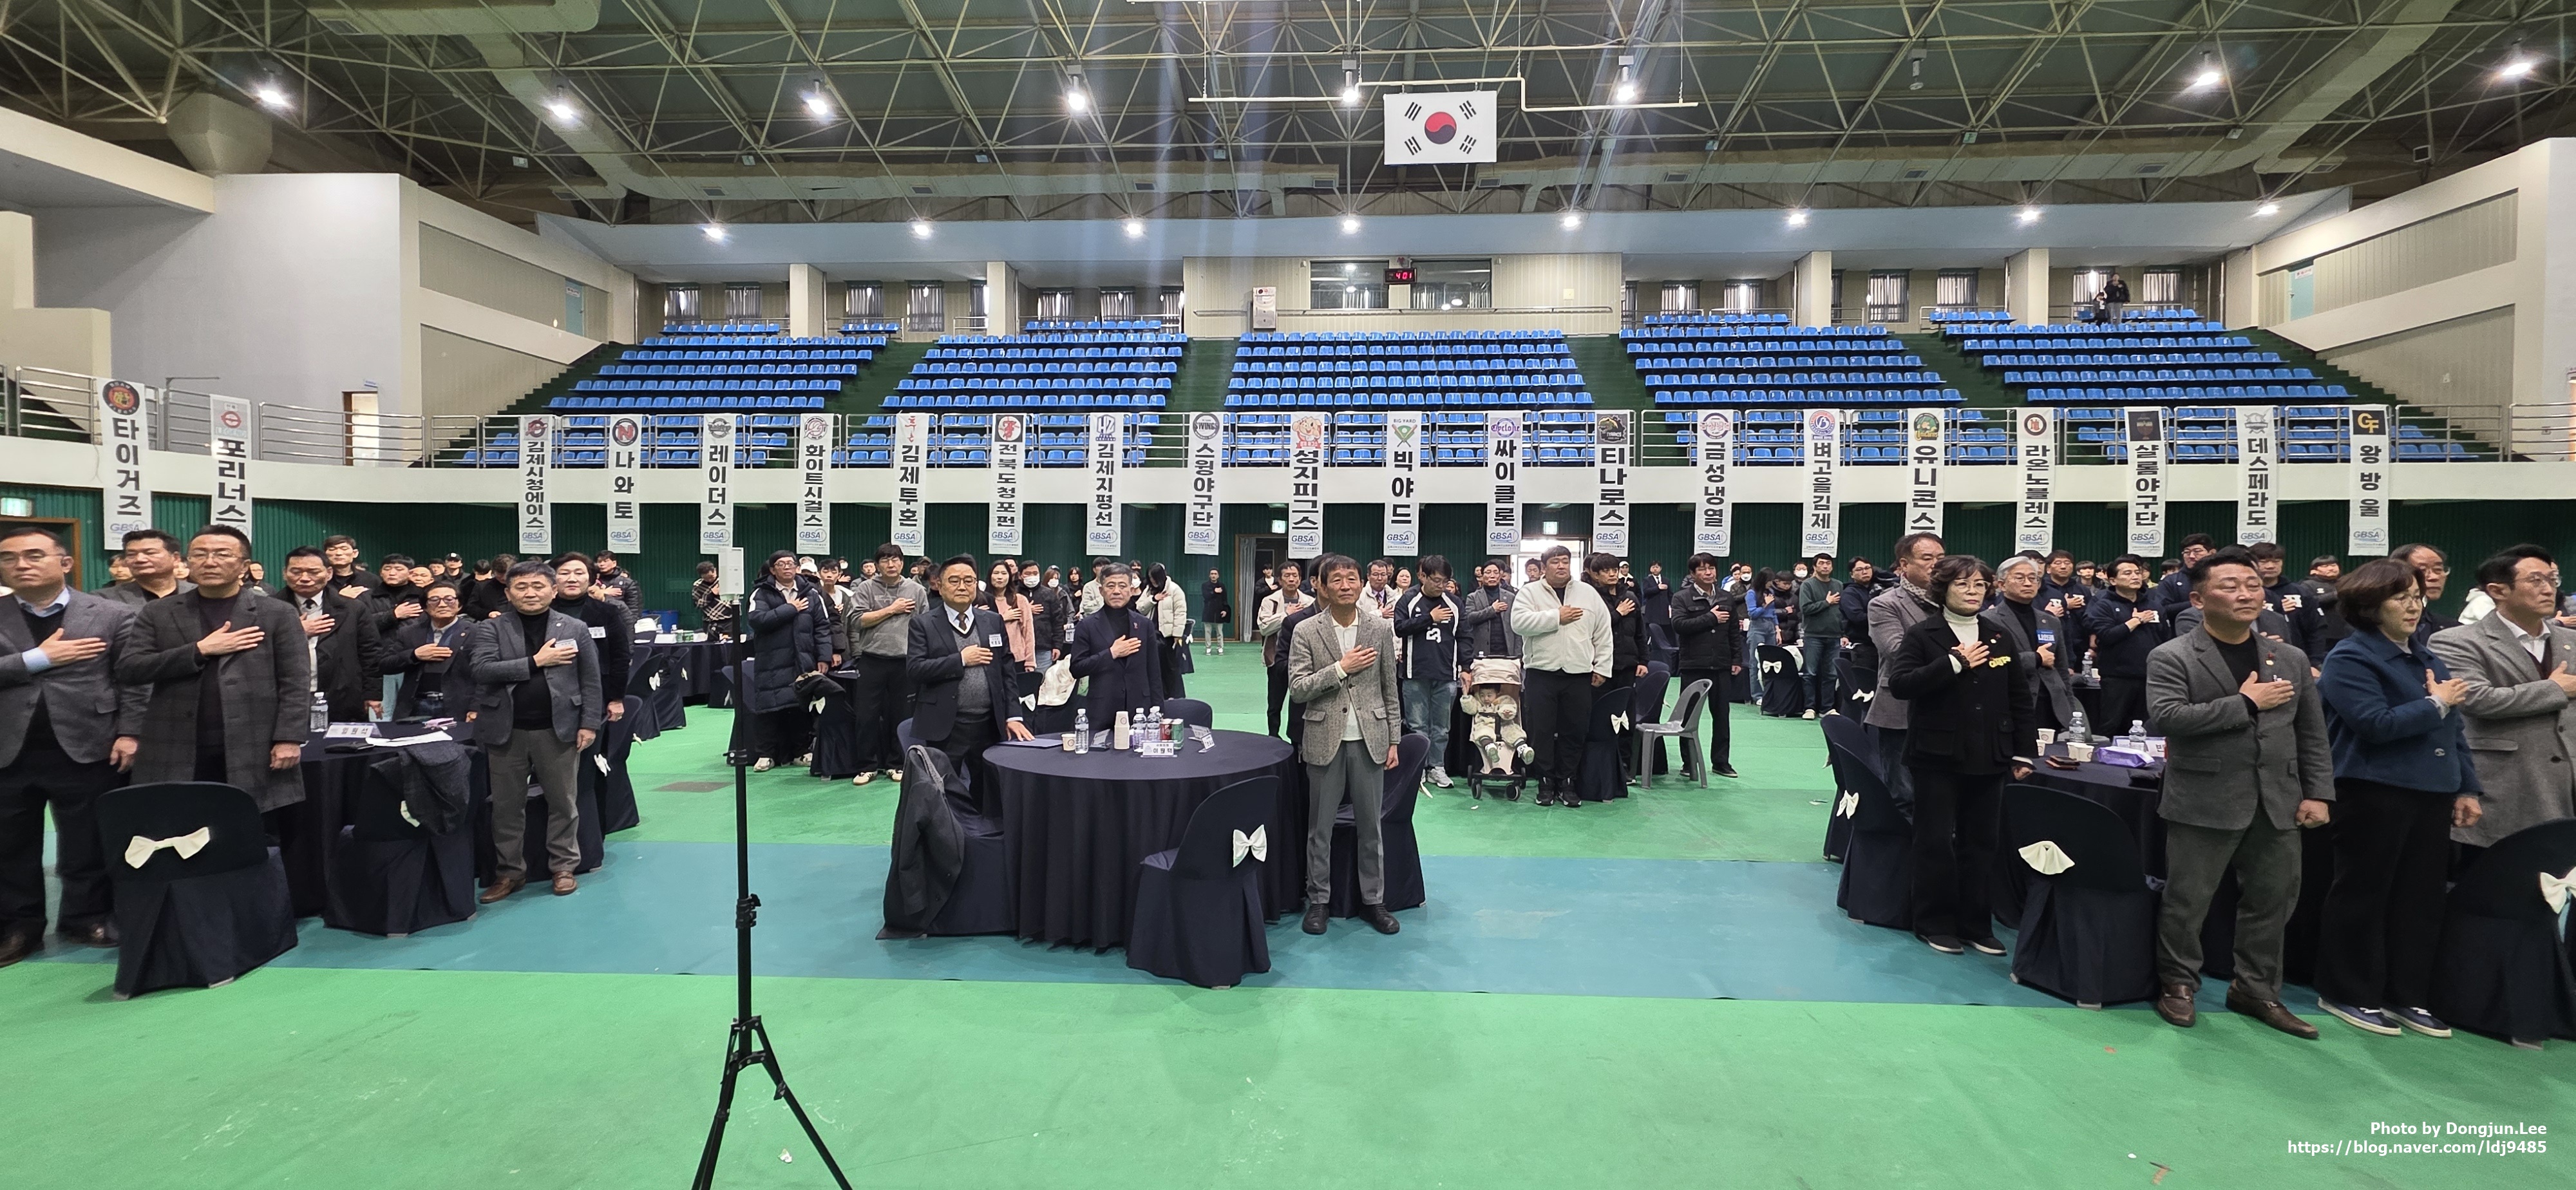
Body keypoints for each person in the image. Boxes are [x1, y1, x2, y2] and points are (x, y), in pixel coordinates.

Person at [2142, 551, 2333, 1038]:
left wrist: (2318, 793)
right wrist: (2244, 702)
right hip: (2204, 797)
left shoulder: (2288, 658)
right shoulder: (2173, 656)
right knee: (2188, 900)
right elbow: (2168, 718)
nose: (2246, 594)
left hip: (2278, 799)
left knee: (2273, 901)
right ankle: (2178, 983)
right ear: (2198, 599)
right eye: (2230, 586)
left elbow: (2311, 733)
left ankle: (2256, 989)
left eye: (2252, 584)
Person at [2310, 556, 2483, 1039]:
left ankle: (2407, 995)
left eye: (2416, 596)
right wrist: (2436, 702)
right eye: (2399, 597)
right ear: (2370, 606)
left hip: (2432, 791)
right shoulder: (2350, 658)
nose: (2413, 606)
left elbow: (2454, 730)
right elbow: (2375, 724)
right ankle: (2348, 990)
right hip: (2372, 790)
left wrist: (2467, 786)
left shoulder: (2427, 658)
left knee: (2420, 899)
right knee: (2363, 893)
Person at [0, 525, 144, 961]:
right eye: (8, 558)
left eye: (34, 555)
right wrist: (38, 659)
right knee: (9, 844)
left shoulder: (111, 613)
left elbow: (133, 680)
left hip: (89, 743)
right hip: (8, 748)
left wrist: (130, 732)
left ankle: (87, 916)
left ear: (65, 562)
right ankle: (19, 926)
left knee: (88, 839)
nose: (21, 565)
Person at [1883, 556, 2036, 956]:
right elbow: (1901, 684)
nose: (1972, 592)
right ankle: (1933, 922)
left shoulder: (1999, 635)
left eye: (1980, 585)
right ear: (1944, 589)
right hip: (1937, 754)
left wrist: (2024, 752)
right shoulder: (1923, 634)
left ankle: (1975, 924)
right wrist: (1953, 663)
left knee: (1982, 842)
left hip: (1990, 753)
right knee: (1935, 841)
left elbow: (2019, 698)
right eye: (1963, 585)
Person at [114, 525, 310, 815]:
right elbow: (130, 668)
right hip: (175, 741)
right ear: (186, 562)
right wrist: (199, 650)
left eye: (222, 554)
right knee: (178, 824)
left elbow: (295, 680)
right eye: (200, 555)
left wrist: (289, 738)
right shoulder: (159, 612)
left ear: (244, 566)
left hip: (253, 741)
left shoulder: (276, 613)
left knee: (247, 824)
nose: (209, 562)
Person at [2427, 545, 2576, 870]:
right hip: (2504, 792)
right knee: (2494, 888)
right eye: (2535, 580)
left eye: (2552, 579)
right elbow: (2476, 698)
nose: (2549, 589)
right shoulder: (2457, 641)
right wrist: (2554, 689)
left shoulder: (2571, 640)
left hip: (2568, 791)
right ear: (2498, 591)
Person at [461, 560, 602, 901]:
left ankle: (564, 867)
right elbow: (482, 670)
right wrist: (535, 662)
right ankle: (510, 872)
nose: (530, 593)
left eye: (538, 586)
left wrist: (589, 723)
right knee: (506, 808)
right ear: (508, 593)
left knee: (563, 803)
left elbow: (591, 680)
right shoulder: (491, 629)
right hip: (506, 731)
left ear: (553, 591)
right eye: (521, 587)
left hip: (559, 729)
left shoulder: (575, 628)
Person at [1285, 553, 1403, 937]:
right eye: (1336, 579)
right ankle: (1319, 901)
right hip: (1324, 739)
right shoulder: (1306, 630)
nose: (1345, 585)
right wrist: (1341, 668)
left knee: (1371, 827)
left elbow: (1389, 687)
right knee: (1319, 828)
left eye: (1352, 578)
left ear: (1361, 583)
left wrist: (1394, 739)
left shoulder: (1379, 628)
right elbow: (1298, 689)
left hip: (1371, 739)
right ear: (1321, 586)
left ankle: (1373, 901)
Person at [909, 555, 1034, 815]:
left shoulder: (992, 621)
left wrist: (1013, 715)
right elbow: (915, 670)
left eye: (969, 581)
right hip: (946, 726)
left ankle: (986, 836)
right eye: (954, 581)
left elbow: (1007, 671)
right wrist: (961, 660)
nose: (962, 586)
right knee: (943, 796)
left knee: (989, 794)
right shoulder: (923, 624)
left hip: (988, 724)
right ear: (940, 585)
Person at [1510, 545, 1613, 808]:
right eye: (1555, 562)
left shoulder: (1587, 593)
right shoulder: (1529, 592)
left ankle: (1567, 782)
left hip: (1578, 674)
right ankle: (1545, 782)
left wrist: (1602, 667)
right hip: (1541, 673)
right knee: (1541, 731)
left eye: (1565, 561)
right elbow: (1518, 623)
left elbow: (1603, 632)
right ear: (1544, 568)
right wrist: (1556, 617)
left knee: (1574, 731)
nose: (1561, 566)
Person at [1866, 533, 1946, 807]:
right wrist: (1957, 657)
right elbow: (1898, 652)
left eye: (1941, 558)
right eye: (1927, 558)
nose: (1936, 565)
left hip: (1949, 709)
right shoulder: (1885, 604)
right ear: (1904, 564)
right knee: (1905, 795)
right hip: (1901, 709)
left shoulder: (1954, 602)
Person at [844, 544, 926, 785]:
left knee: (901, 716)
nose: (891, 565)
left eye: (896, 560)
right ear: (878, 564)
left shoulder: (916, 590)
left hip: (905, 661)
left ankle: (896, 764)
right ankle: (866, 766)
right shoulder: (866, 588)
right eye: (885, 560)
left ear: (902, 562)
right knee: (866, 716)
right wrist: (892, 609)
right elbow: (857, 621)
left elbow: (924, 625)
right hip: (872, 660)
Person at [744, 551, 831, 773]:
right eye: (781, 564)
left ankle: (801, 752)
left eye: (791, 564)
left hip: (803, 660)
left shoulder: (811, 593)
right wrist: (790, 609)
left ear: (797, 568)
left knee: (801, 708)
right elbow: (757, 620)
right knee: (769, 709)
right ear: (773, 570)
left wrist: (824, 656)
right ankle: (766, 754)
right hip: (771, 661)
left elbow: (822, 627)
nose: (787, 568)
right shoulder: (761, 593)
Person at [279, 545, 383, 724]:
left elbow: (370, 652)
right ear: (285, 573)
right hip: (285, 696)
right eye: (296, 572)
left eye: (313, 572)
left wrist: (372, 693)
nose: (304, 578)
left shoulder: (353, 609)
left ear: (328, 573)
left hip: (343, 694)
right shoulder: (269, 609)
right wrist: (295, 632)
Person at [1392, 554, 1464, 789]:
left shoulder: (1454, 603)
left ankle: (1437, 767)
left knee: (1442, 728)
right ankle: (1419, 768)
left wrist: (1466, 667)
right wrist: (1429, 619)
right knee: (1417, 726)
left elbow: (1464, 635)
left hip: (1446, 674)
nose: (1441, 586)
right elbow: (1400, 628)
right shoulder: (1408, 600)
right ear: (1423, 576)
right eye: (1436, 580)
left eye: (1445, 581)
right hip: (1415, 673)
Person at [1984, 554, 2076, 732]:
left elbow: (2062, 670)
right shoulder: (1988, 620)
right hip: (2012, 705)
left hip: (2052, 706)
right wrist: (2035, 658)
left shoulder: (2050, 621)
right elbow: (1991, 663)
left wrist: (2071, 712)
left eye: (2033, 578)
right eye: (2020, 578)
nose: (2028, 583)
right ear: (2002, 585)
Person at [1669, 552, 1740, 778]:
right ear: (1693, 574)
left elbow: (1734, 631)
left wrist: (1736, 660)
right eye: (1702, 569)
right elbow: (1679, 625)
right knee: (1688, 717)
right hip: (1693, 665)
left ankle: (1721, 762)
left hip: (1721, 664)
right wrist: (1710, 618)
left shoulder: (1726, 598)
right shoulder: (1681, 598)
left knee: (1722, 716)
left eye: (1711, 568)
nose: (1708, 573)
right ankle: (1689, 763)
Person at [1070, 564, 1165, 723]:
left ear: (1131, 590)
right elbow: (1077, 668)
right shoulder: (1087, 626)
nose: (1116, 591)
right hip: (1101, 710)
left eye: (1122, 586)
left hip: (1139, 711)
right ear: (1101, 591)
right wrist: (1111, 654)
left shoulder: (1144, 625)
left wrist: (1159, 711)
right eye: (1110, 586)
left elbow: (1154, 672)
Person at [2085, 554, 2165, 734]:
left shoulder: (2154, 605)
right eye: (2127, 573)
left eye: (2137, 572)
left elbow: (2164, 638)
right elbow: (2106, 636)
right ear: (2113, 580)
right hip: (2117, 677)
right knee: (2112, 726)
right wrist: (2134, 622)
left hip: (2149, 676)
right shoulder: (2104, 605)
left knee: (2144, 728)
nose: (2135, 577)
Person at [550, 554, 631, 727]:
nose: (572, 579)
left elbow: (620, 657)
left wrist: (617, 698)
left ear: (592, 579)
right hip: (550, 694)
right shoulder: (541, 612)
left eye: (579, 573)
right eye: (564, 573)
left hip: (597, 693)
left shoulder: (608, 612)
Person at [1585, 554, 1648, 770]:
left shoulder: (1630, 596)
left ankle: (1624, 765)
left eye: (1615, 570)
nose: (1612, 574)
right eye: (1606, 571)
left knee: (1626, 716)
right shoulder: (1591, 598)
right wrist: (1617, 613)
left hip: (1627, 665)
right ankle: (1600, 765)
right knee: (1600, 715)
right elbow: (1592, 628)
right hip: (1600, 668)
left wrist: (1643, 660)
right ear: (1596, 575)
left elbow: (1640, 632)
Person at [381, 581, 471, 719]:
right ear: (425, 607)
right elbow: (385, 665)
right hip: (416, 705)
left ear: (459, 605)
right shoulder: (409, 632)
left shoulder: (476, 632)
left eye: (449, 599)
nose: (442, 604)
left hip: (458, 706)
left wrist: (475, 708)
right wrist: (414, 655)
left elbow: (482, 676)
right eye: (434, 600)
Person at [1258, 563, 1311, 737]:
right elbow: (1264, 627)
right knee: (1275, 705)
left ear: (1300, 579)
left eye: (1295, 576)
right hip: (1277, 658)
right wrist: (1286, 615)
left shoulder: (1309, 602)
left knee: (1301, 703)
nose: (1291, 579)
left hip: (1302, 660)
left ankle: (1298, 739)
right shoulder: (1270, 601)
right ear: (1280, 580)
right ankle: (1273, 737)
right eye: (1287, 576)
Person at [95, 529, 194, 607]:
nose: (139, 559)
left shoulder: (197, 593)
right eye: (131, 554)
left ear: (175, 558)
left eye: (150, 553)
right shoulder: (104, 599)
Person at [978, 558, 1039, 679]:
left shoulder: (1019, 600)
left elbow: (1028, 633)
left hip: (1017, 659)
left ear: (1010, 577)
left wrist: (1030, 661)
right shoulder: (981, 600)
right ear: (990, 576)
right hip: (989, 659)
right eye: (996, 573)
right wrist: (1002, 618)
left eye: (1004, 573)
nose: (1000, 577)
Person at [1795, 554, 1839, 719]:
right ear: (1815, 567)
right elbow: (1805, 609)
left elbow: (1841, 611)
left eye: (1828, 563)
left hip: (1835, 635)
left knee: (1831, 674)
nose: (1825, 566)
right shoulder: (1808, 585)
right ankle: (1809, 708)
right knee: (1810, 673)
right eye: (1821, 563)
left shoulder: (1838, 585)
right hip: (1814, 635)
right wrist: (1826, 603)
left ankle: (1827, 708)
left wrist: (1843, 633)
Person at [2392, 543, 2456, 647]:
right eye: (2422, 570)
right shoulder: (2380, 628)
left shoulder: (2452, 629)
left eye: (2438, 569)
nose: (2434, 577)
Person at [1141, 563, 1191, 697]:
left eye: (1154, 577)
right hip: (1152, 634)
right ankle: (1159, 696)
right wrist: (1153, 599)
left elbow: (1181, 613)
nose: (1152, 581)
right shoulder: (1148, 591)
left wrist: (1177, 635)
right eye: (1150, 577)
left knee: (1172, 668)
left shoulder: (1175, 590)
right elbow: (1140, 608)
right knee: (1154, 668)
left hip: (1169, 637)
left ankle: (1177, 696)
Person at [1460, 560, 1520, 663]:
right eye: (1488, 572)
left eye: (1496, 572)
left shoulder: (1510, 597)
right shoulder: (1473, 597)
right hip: (1482, 653)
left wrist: (1518, 653)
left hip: (1507, 653)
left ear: (1500, 576)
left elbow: (1517, 625)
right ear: (1482, 576)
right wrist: (1492, 610)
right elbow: (1469, 618)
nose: (1492, 576)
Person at [1020, 559, 1069, 669]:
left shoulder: (1049, 594)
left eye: (1035, 573)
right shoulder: (1014, 594)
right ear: (1020, 576)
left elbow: (1058, 622)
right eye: (1028, 574)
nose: (1032, 576)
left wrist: (1057, 646)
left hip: (1044, 649)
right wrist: (1026, 610)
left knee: (1042, 679)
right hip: (1019, 649)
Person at [2148, 534, 2215, 614]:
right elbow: (2161, 609)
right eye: (2187, 552)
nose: (2191, 556)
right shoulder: (2171, 581)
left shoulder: (2221, 577)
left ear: (2212, 553)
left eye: (2197, 551)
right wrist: (2196, 603)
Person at [813, 558, 853, 666]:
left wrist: (856, 654)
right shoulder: (813, 595)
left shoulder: (847, 596)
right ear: (819, 574)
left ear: (839, 574)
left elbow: (852, 628)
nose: (829, 575)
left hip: (844, 652)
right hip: (819, 651)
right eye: (825, 571)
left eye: (833, 572)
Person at [592, 549, 643, 623]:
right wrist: (602, 593)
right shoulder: (591, 581)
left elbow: (634, 609)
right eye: (599, 562)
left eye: (605, 561)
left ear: (614, 563)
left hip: (621, 622)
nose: (602, 564)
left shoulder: (628, 583)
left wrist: (631, 624)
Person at [691, 560, 737, 638]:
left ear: (715, 571)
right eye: (706, 578)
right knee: (711, 644)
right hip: (710, 621)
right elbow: (697, 605)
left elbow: (735, 598)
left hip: (729, 620)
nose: (709, 580)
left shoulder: (724, 581)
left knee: (729, 643)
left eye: (711, 577)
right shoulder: (698, 586)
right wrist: (711, 594)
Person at [1199, 569, 1232, 653]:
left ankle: (1220, 647)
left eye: (1215, 574)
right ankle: (1208, 647)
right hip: (1208, 612)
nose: (1213, 575)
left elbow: (1225, 599)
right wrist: (1214, 591)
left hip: (1219, 612)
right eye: (1212, 574)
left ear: (1218, 576)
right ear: (1209, 575)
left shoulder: (1222, 586)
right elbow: (1206, 596)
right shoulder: (1205, 585)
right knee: (1208, 632)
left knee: (1220, 632)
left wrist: (1225, 610)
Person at [1639, 560, 1672, 629]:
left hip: (1664, 611)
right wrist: (1658, 588)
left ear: (1661, 568)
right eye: (1653, 567)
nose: (1655, 569)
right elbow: (1646, 592)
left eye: (1657, 567)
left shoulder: (1666, 580)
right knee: (1652, 629)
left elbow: (1670, 595)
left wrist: (1671, 606)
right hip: (1652, 610)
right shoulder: (1647, 580)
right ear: (1650, 569)